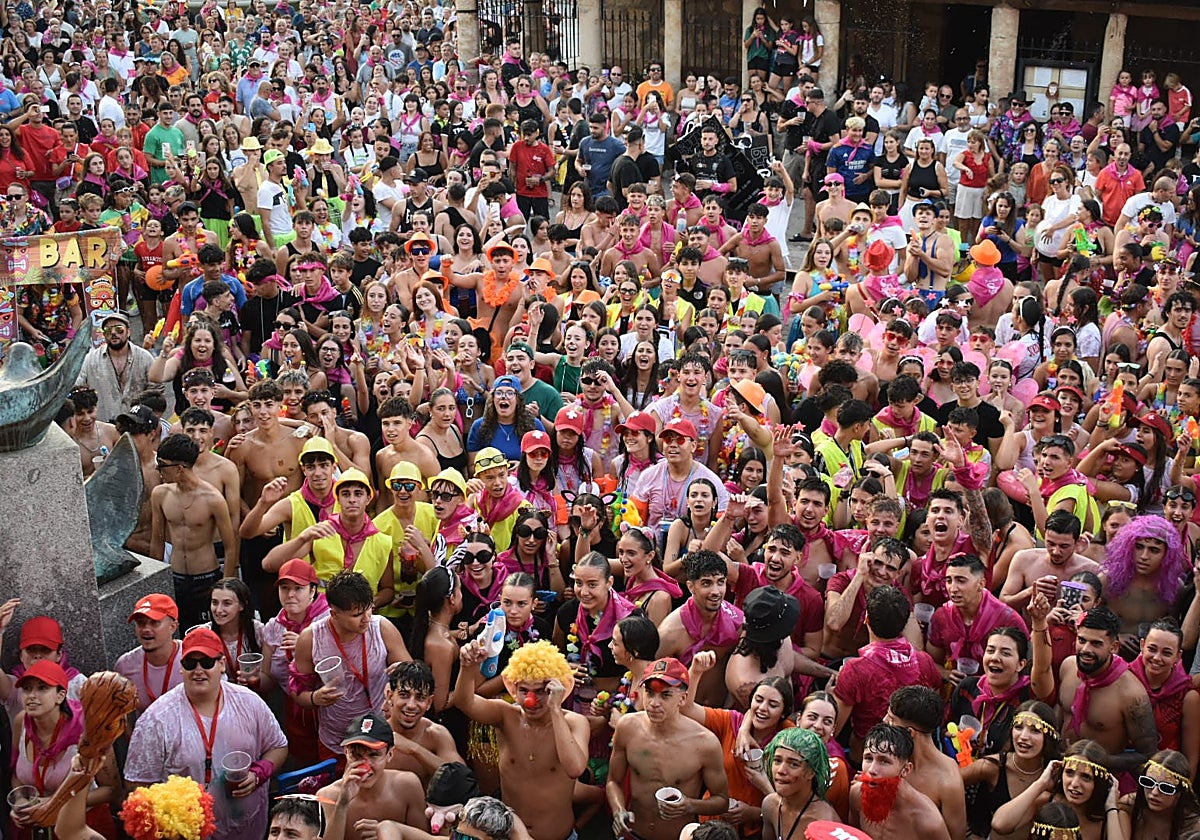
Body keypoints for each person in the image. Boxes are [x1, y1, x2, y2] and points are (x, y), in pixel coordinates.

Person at [124, 627, 289, 840]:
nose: (198, 670)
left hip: (248, 829)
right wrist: (171, 816)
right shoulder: (156, 719)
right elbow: (136, 783)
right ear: (181, 668)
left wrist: (259, 772)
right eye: (190, 664)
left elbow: (278, 746)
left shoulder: (249, 702)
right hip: (188, 835)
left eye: (207, 662)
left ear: (222, 664)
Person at [453, 640, 589, 840]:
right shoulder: (505, 715)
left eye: (541, 691)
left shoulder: (574, 722)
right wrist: (466, 667)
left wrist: (555, 708)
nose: (531, 701)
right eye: (524, 690)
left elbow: (575, 768)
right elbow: (465, 702)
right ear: (514, 689)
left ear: (557, 689)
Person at [290, 571, 411, 770]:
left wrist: (403, 673)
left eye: (369, 609)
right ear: (334, 614)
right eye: (357, 615)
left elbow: (411, 675)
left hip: (379, 736)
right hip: (336, 741)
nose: (366, 619)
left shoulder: (382, 629)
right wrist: (314, 698)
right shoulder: (310, 639)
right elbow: (297, 693)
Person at [607, 658, 730, 840]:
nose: (654, 703)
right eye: (649, 693)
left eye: (665, 695)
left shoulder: (704, 743)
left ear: (683, 698)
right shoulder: (628, 727)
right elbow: (613, 781)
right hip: (634, 832)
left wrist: (689, 805)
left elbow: (721, 801)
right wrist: (618, 810)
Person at [832, 586, 943, 762]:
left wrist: (829, 696)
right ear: (905, 623)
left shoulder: (855, 670)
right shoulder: (924, 662)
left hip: (866, 760)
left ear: (866, 618)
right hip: (911, 759)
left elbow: (833, 728)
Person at [1045, 605, 1158, 774]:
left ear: (1114, 647)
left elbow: (1147, 755)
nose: (1086, 649)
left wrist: (1098, 761)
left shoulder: (1131, 694)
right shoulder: (1068, 667)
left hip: (1102, 779)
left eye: (1096, 644)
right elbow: (1060, 714)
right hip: (1060, 770)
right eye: (1082, 640)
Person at [150, 434, 239, 631]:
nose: (158, 470)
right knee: (177, 631)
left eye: (162, 465)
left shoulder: (213, 499)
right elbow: (157, 541)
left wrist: (224, 587)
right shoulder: (160, 494)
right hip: (175, 576)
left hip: (205, 577)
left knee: (207, 633)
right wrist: (155, 582)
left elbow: (230, 547)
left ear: (179, 468)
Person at [316, 713, 430, 835]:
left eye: (373, 755)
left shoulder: (408, 786)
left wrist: (390, 833)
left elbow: (424, 837)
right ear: (346, 753)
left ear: (390, 754)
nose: (365, 766)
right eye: (356, 755)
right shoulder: (327, 796)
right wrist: (342, 805)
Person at [926, 553, 1028, 684]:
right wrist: (945, 673)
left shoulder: (1007, 619)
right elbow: (932, 660)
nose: (953, 588)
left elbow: (1025, 666)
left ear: (981, 584)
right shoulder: (941, 616)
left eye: (961, 581)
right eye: (949, 581)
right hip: (954, 688)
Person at [849, 723, 949, 839]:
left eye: (884, 761)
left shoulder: (928, 821)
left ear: (906, 770)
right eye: (868, 758)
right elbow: (852, 835)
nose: (872, 770)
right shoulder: (856, 795)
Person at [383, 661, 464, 785]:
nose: (411, 705)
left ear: (429, 703)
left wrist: (414, 749)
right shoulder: (375, 735)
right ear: (390, 696)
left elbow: (463, 781)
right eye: (404, 695)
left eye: (420, 697)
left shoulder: (436, 735)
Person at [759, 727, 840, 840]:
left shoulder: (824, 823)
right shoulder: (770, 805)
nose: (781, 770)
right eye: (777, 760)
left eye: (794, 764)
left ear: (811, 772)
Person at [76, 311, 156, 422]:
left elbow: (156, 390)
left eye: (119, 329)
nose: (113, 333)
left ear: (128, 332)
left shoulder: (144, 357)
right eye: (108, 330)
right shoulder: (90, 360)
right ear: (104, 335)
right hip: (104, 424)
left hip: (138, 424)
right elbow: (77, 387)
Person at [114, 594, 184, 712]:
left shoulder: (192, 659)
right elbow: (121, 715)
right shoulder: (125, 666)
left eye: (154, 622)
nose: (146, 629)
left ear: (173, 627)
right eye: (140, 623)